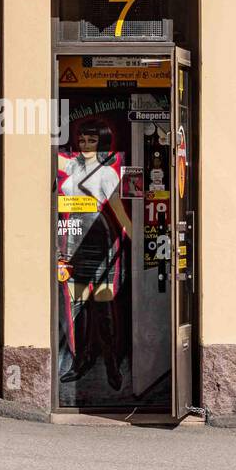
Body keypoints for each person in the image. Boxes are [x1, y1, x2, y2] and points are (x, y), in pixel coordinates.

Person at [57, 122, 130, 392]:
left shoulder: (106, 173)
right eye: (83, 140)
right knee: (78, 307)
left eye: (92, 140)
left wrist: (136, 238)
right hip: (74, 236)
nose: (86, 145)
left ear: (101, 143)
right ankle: (81, 362)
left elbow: (118, 210)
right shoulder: (72, 166)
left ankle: (111, 364)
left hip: (99, 236)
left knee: (102, 305)